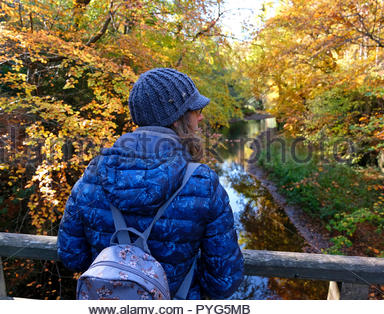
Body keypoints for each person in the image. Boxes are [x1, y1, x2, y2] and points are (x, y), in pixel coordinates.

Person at [57, 68, 244, 299]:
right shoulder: (202, 182)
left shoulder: (94, 174)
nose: (201, 116)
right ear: (177, 119)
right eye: (196, 110)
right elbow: (224, 281)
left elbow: (72, 256)